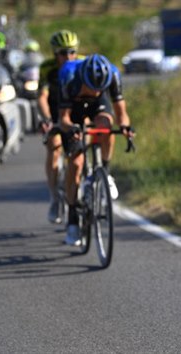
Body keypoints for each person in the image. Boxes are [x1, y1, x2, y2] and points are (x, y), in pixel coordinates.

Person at [58, 54, 134, 246]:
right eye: (92, 88)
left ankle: (105, 172)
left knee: (106, 125)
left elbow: (121, 114)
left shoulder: (113, 76)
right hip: (74, 108)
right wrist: (72, 129)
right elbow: (64, 119)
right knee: (75, 164)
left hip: (98, 107)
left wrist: (125, 128)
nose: (95, 91)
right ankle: (73, 217)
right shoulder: (69, 76)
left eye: (99, 89)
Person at [38, 30, 82, 224]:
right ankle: (55, 197)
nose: (68, 57)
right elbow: (42, 96)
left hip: (78, 111)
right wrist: (47, 118)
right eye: (63, 53)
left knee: (83, 146)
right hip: (56, 111)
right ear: (55, 54)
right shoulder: (47, 68)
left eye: (71, 52)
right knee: (54, 148)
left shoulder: (82, 64)